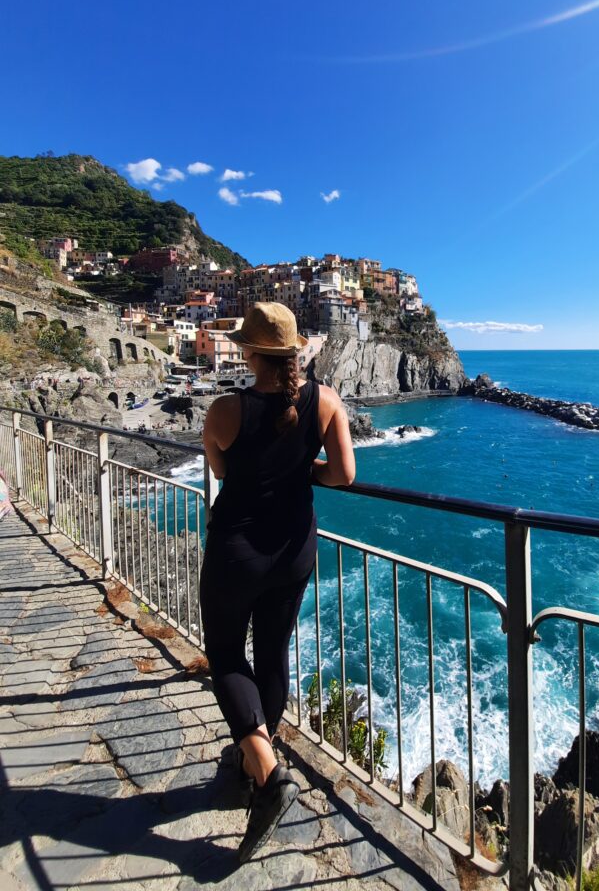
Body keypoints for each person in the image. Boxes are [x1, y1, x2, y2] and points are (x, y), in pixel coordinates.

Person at [200, 302, 355, 864]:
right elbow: (343, 473)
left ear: (248, 352)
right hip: (294, 551)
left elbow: (221, 470)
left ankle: (267, 776)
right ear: (293, 353)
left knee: (223, 651)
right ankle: (253, 758)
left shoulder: (225, 409)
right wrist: (301, 469)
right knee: (272, 653)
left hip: (237, 551)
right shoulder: (327, 401)